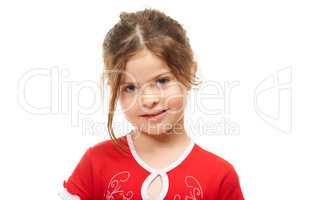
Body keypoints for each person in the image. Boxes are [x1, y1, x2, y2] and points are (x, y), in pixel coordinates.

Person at [59, 8, 245, 200]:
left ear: (190, 71)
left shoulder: (220, 176)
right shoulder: (95, 164)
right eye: (130, 87)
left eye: (162, 81)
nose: (148, 100)